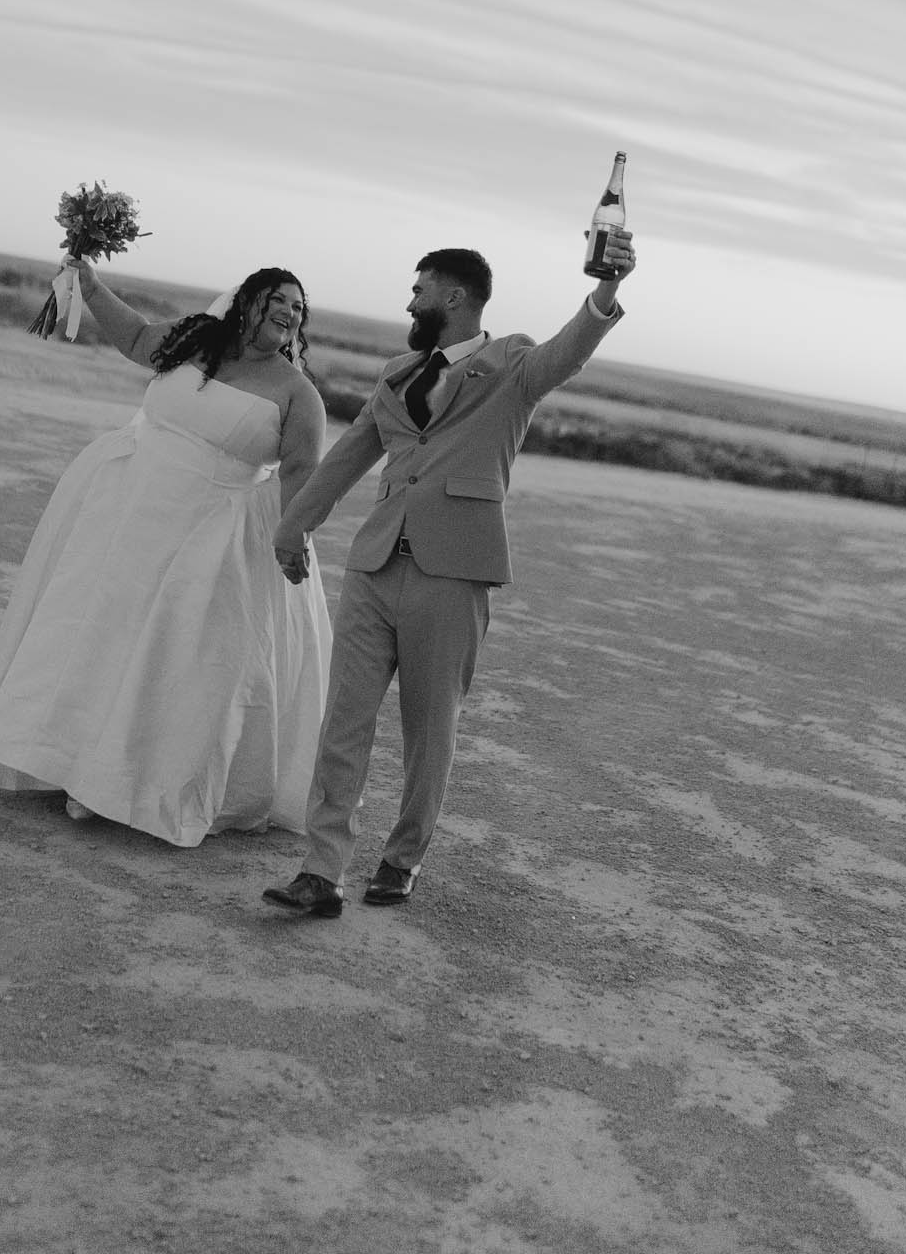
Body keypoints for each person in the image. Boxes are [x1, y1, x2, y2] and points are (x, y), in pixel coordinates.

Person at [262, 227, 636, 917]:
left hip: (453, 573)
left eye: (418, 289)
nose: (409, 300)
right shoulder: (396, 375)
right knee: (341, 720)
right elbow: (349, 455)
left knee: (428, 727)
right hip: (375, 565)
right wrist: (294, 526)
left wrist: (606, 289)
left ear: (454, 295)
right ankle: (320, 871)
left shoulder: (511, 364)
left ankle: (401, 859)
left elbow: (567, 353)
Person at [0, 264, 332, 848]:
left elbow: (302, 477)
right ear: (246, 302)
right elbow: (132, 338)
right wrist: (89, 282)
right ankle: (58, 760)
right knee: (94, 632)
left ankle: (116, 785)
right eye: (279, 299)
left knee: (170, 655)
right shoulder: (193, 341)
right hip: (126, 513)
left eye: (299, 307)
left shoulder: (297, 394)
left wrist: (293, 540)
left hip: (209, 536)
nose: (291, 311)